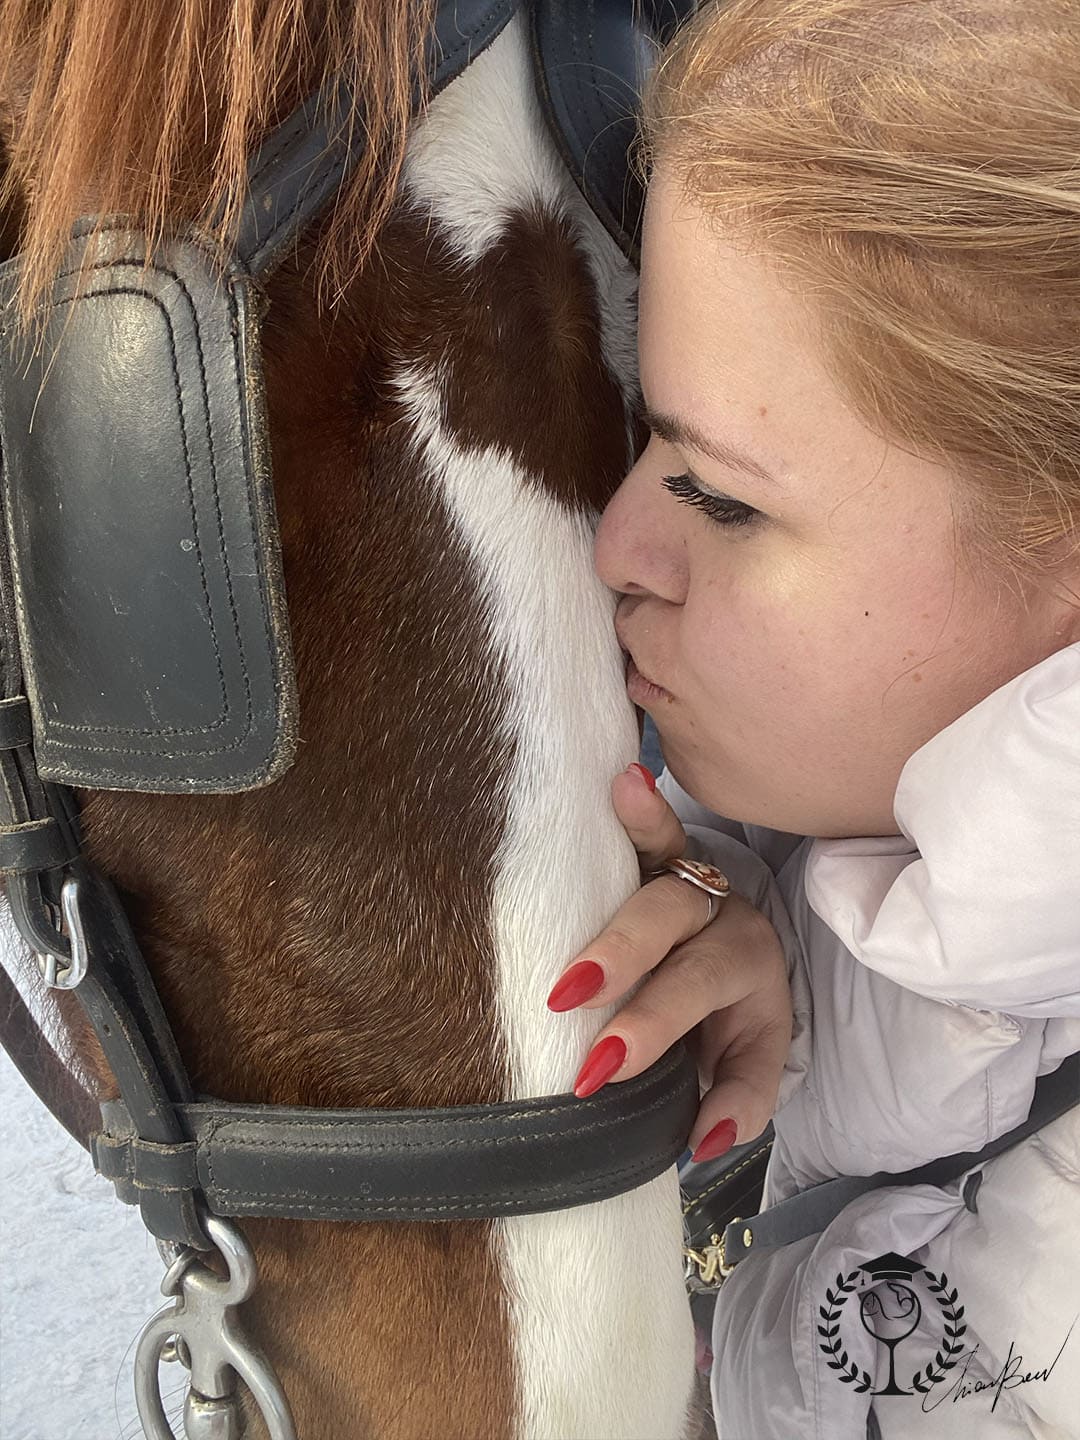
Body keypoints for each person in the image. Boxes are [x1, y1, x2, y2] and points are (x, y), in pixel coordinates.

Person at [542, 1, 1080, 1435]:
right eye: (641, 442)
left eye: (721, 497)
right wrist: (803, 1008)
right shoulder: (786, 856)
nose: (617, 546)